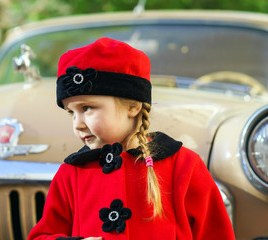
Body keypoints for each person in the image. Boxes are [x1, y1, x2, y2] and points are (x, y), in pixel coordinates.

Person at [28, 37, 235, 240]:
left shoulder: (183, 167)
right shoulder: (71, 174)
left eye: (87, 108)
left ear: (133, 106)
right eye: (71, 112)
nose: (77, 123)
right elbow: (42, 236)